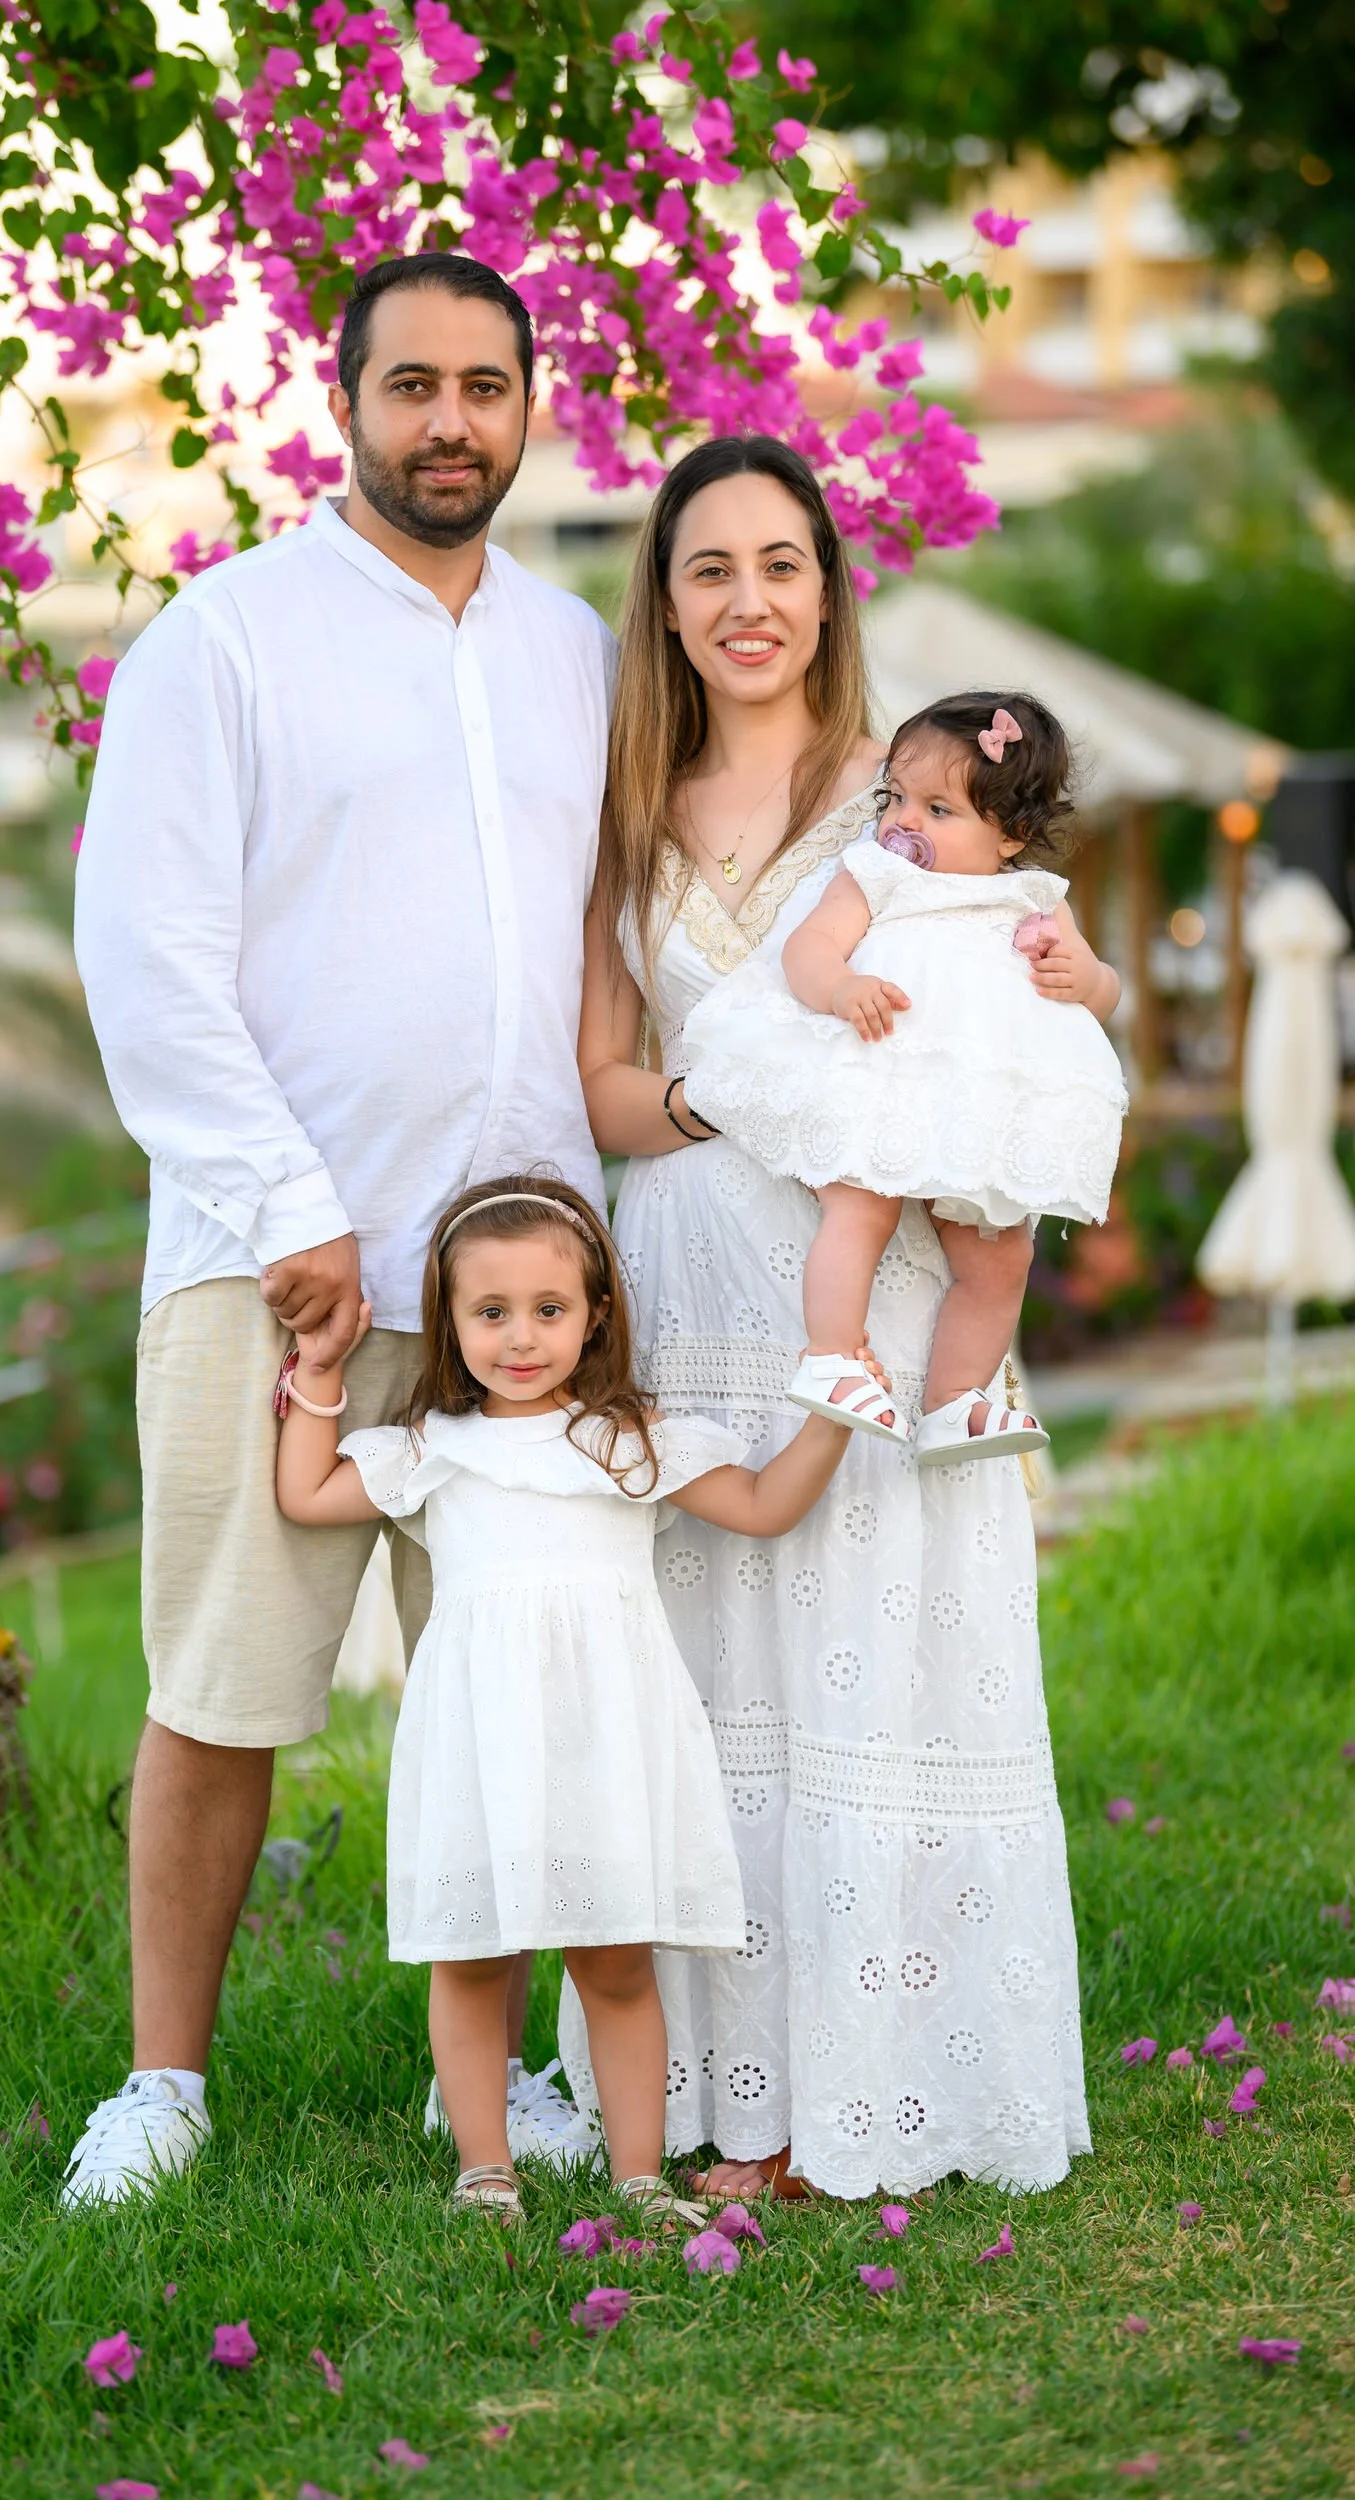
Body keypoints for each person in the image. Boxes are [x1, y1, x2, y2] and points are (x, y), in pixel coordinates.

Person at [66, 252, 613, 2206]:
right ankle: (162, 2086)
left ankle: (515, 2072)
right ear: (346, 399)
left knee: (519, 1681)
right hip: (271, 1267)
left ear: (526, 402)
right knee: (222, 1682)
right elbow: (146, 956)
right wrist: (294, 1210)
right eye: (413, 385)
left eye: (484, 384)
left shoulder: (572, 646)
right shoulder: (220, 643)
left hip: (517, 1292)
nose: (449, 420)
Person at [574, 433, 1090, 2202]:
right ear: (666, 596)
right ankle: (731, 2094)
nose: (746, 600)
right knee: (716, 1684)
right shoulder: (625, 806)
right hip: (690, 1282)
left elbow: (1014, 1011)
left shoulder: (919, 794)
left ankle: (873, 2097)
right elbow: (604, 1086)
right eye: (708, 567)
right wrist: (731, 1093)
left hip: (873, 1284)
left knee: (884, 1660)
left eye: (779, 563)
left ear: (825, 585)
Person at [275, 1176, 863, 2221]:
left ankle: (636, 2176)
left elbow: (764, 1506)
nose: (518, 1337)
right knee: (467, 1957)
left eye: (547, 1309)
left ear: (593, 1313)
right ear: (449, 1325)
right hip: (479, 1734)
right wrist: (318, 1373)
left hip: (605, 1732)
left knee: (615, 1958)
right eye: (488, 1312)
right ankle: (483, 2169)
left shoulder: (626, 1439)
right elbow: (306, 1494)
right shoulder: (434, 1447)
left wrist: (831, 1419)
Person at [683, 690, 1126, 1462]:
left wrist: (1080, 972)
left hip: (969, 1114)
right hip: (881, 1084)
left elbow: (1104, 994)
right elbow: (808, 948)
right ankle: (831, 1358)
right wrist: (840, 988)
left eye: (937, 809)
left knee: (1000, 1255)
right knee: (860, 1208)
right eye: (894, 796)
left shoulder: (1033, 899)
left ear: (1013, 836)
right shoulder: (875, 875)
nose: (902, 822)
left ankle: (955, 1399)